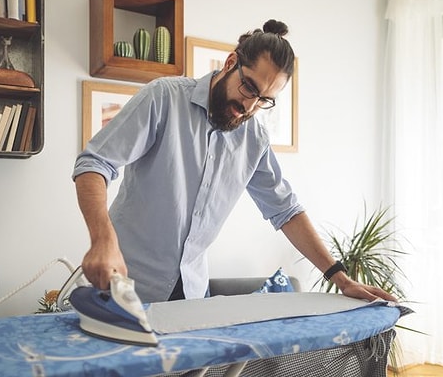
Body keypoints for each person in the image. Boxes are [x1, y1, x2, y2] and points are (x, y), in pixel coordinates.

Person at [72, 19, 396, 304]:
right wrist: (103, 241)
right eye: (248, 87)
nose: (250, 105)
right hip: (123, 285)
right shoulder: (164, 97)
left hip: (191, 297)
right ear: (230, 63)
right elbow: (94, 164)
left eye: (264, 99)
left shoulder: (254, 137)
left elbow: (286, 211)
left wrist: (341, 277)